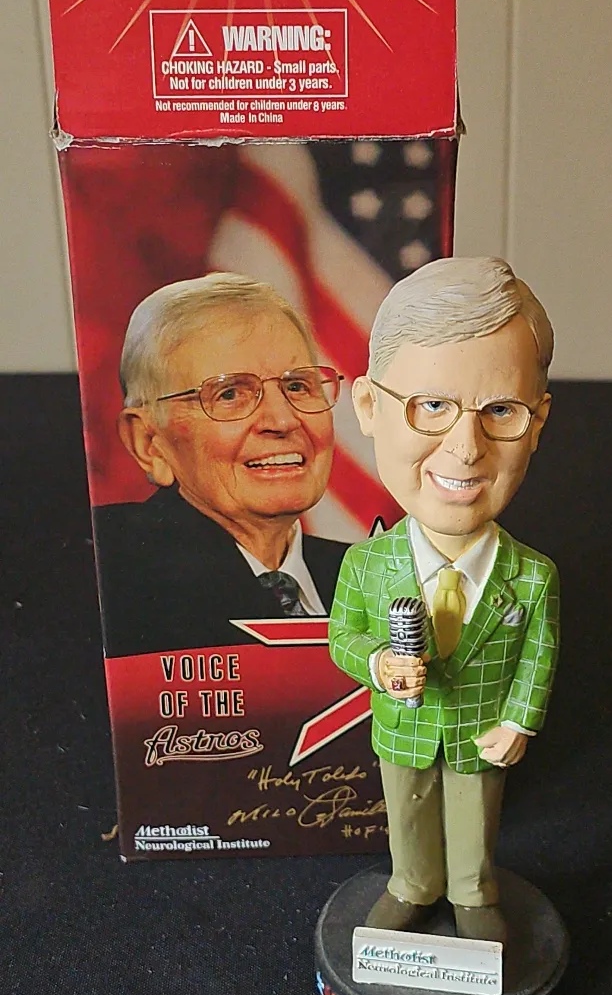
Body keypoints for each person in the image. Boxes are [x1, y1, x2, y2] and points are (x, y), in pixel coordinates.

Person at [328, 256, 560, 943]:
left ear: (537, 422)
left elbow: (539, 657)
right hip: (403, 727)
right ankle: (412, 883)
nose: (465, 448)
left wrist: (519, 722)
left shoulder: (532, 577)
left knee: (475, 815)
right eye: (431, 405)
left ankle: (473, 892)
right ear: (369, 407)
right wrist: (378, 664)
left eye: (501, 411)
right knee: (406, 810)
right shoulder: (367, 565)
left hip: (482, 730)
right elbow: (343, 637)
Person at [94, 273, 347, 657]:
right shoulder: (104, 574)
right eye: (229, 394)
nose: (283, 420)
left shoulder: (373, 576)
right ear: (149, 443)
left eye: (297, 386)